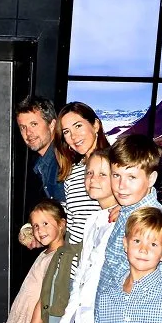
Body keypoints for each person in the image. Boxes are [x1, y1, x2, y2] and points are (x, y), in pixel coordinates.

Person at [95, 134, 162, 305]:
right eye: (116, 175)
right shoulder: (130, 209)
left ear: (151, 179)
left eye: (131, 177)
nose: (121, 186)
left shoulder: (150, 221)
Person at [94, 207, 162, 323]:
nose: (143, 250)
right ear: (125, 244)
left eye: (153, 244)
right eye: (137, 241)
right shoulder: (106, 296)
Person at [57, 149, 117, 323]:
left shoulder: (125, 222)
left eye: (102, 174)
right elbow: (81, 276)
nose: (92, 179)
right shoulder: (92, 221)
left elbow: (115, 287)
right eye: (89, 173)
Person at [55, 102, 109, 272]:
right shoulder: (72, 173)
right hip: (73, 267)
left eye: (78, 126)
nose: (73, 135)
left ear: (95, 125)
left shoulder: (116, 163)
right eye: (66, 132)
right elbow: (72, 221)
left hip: (102, 266)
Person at [5, 199, 66, 323]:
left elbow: (45, 299)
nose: (40, 230)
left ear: (61, 224)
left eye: (45, 223)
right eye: (35, 226)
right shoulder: (46, 253)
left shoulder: (58, 257)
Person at [15, 96, 65, 203]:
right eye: (23, 127)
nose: (28, 133)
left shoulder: (63, 160)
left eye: (34, 124)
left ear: (52, 125)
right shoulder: (42, 163)